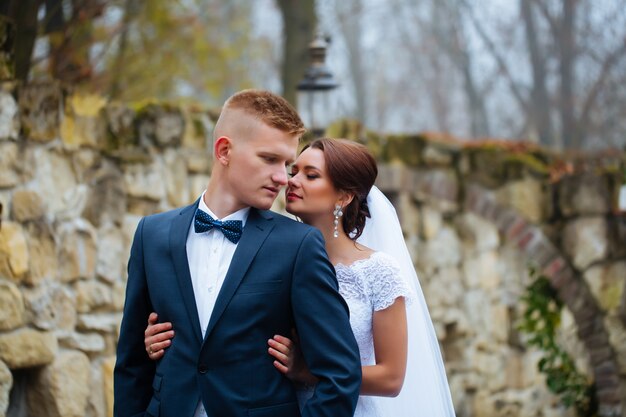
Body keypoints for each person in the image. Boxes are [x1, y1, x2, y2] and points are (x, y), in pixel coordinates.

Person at [145, 138, 456, 416]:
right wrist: (166, 339)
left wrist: (308, 371)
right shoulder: (268, 252)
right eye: (294, 171)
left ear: (344, 196)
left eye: (311, 175)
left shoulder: (378, 270)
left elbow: (391, 378)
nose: (291, 181)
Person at [114, 90, 362, 417]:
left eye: (286, 164)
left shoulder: (298, 245)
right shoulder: (152, 234)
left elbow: (341, 373)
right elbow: (132, 364)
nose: (282, 178)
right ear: (224, 150)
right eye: (269, 159)